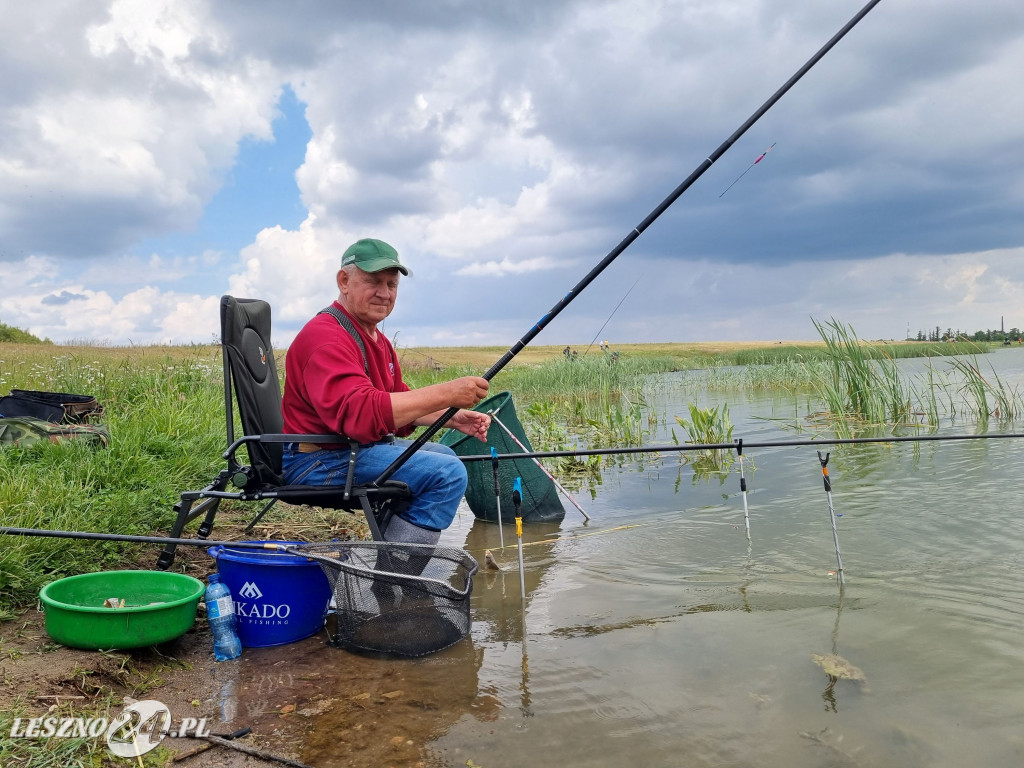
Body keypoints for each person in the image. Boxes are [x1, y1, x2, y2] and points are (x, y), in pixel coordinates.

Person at [281, 238, 491, 548]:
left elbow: (396, 401)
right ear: (344, 281)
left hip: (346, 451)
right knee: (447, 473)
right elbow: (361, 414)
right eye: (373, 281)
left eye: (391, 284)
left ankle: (388, 557)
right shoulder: (327, 337)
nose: (384, 293)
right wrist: (447, 393)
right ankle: (396, 581)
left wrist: (453, 417)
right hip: (316, 461)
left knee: (445, 455)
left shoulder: (375, 338)